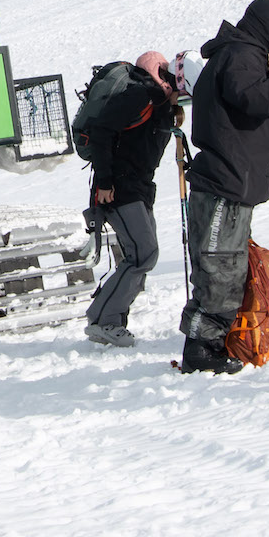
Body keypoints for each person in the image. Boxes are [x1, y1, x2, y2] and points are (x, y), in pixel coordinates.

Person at [178, 0, 269, 375]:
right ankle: (202, 349)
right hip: (225, 182)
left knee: (226, 265)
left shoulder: (237, 53)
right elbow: (260, 99)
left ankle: (213, 341)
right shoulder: (242, 55)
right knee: (221, 268)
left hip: (229, 180)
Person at [81, 52, 180, 347]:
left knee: (144, 254)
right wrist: (106, 182)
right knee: (143, 254)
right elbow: (100, 132)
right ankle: (106, 321)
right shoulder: (138, 95)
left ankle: (103, 317)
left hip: (137, 185)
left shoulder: (159, 103)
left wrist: (172, 111)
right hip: (119, 186)